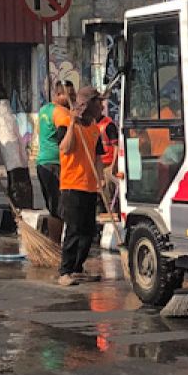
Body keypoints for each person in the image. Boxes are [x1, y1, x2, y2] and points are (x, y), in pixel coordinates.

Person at [56, 86, 106, 286]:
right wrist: (71, 125)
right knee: (74, 230)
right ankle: (65, 271)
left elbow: (98, 156)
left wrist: (100, 179)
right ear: (88, 104)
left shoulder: (94, 127)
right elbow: (65, 148)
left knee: (87, 231)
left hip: (89, 185)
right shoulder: (68, 123)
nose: (101, 106)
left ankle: (78, 268)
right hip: (72, 185)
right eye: (98, 102)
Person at [36, 81, 74, 218]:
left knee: (53, 208)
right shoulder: (62, 113)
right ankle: (58, 238)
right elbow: (63, 140)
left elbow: (40, 132)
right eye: (69, 95)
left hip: (42, 162)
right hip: (56, 163)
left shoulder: (44, 110)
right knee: (61, 208)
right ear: (58, 94)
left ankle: (54, 239)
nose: (72, 99)